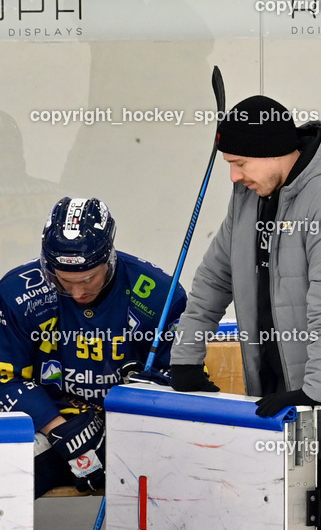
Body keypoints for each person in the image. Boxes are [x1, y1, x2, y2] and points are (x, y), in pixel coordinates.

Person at [168, 95, 321, 414]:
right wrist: (186, 358)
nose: (234, 177)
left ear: (270, 151)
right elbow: (213, 281)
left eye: (240, 163)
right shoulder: (248, 198)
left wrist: (312, 393)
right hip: (278, 392)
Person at [0, 197, 187, 496]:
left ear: (109, 258)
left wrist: (144, 394)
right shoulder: (18, 292)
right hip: (51, 425)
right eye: (63, 281)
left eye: (88, 280)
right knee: (7, 474)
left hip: (130, 428)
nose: (77, 293)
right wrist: (60, 429)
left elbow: (183, 379)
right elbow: (5, 379)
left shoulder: (159, 296)